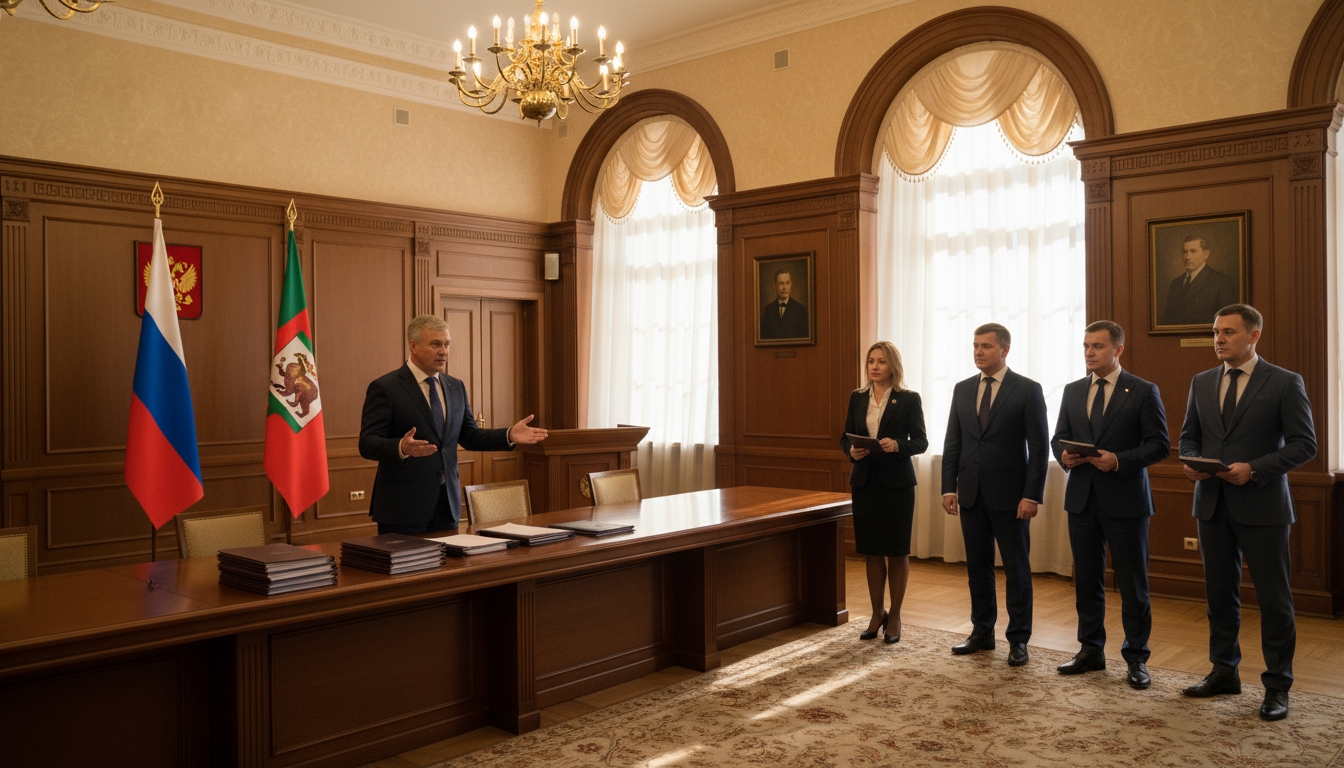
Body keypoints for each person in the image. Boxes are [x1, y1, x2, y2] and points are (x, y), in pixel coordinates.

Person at [1178, 304, 1316, 721]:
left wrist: (1254, 469)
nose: (1218, 339)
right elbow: (1189, 437)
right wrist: (1191, 463)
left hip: (1263, 506)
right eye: (1215, 332)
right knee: (1219, 596)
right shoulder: (1202, 381)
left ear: (1254, 336)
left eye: (1228, 332)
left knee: (1274, 601)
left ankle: (1277, 685)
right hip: (1211, 505)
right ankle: (1224, 671)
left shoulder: (1284, 382)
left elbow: (1304, 444)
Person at [1050, 321, 1168, 689]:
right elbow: (1058, 437)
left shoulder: (1143, 391)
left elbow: (1159, 445)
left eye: (1098, 346)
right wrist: (1064, 455)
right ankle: (1090, 650)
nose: (1089, 352)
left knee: (1133, 584)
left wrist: (1118, 460)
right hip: (1082, 500)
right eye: (1086, 346)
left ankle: (1136, 658)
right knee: (1087, 581)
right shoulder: (1072, 390)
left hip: (1126, 501)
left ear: (1118, 350)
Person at [358, 314, 548, 534]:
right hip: (403, 508)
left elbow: (470, 436)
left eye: (446, 344)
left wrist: (509, 435)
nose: (444, 351)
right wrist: (401, 447)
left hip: (447, 505)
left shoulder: (455, 386)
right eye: (435, 344)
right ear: (413, 346)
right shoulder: (386, 387)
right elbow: (367, 443)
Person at [941, 323, 1049, 667]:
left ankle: (1018, 639)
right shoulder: (962, 389)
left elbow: (1039, 448)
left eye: (986, 346)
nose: (978, 352)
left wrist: (1032, 495)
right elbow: (953, 441)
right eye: (975, 345)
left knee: (1017, 570)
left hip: (1012, 498)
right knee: (978, 567)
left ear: (1004, 349)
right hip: (971, 494)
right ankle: (982, 632)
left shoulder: (1027, 389)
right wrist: (948, 487)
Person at [841, 341, 928, 645]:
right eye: (871, 361)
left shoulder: (908, 399)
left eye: (881, 361)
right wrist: (852, 451)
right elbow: (844, 438)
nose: (875, 367)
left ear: (893, 365)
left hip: (897, 485)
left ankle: (896, 616)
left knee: (897, 550)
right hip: (865, 483)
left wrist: (898, 445)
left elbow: (921, 442)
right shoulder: (857, 397)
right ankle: (877, 613)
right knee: (872, 551)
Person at [1160, 235, 1238, 326]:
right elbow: (1167, 322)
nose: (1187, 257)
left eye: (1193, 251)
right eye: (1185, 252)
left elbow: (1227, 322)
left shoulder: (1222, 282)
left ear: (1206, 254)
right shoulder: (1175, 283)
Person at [759, 267, 809, 339]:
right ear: (775, 285)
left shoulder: (801, 309)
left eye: (787, 283)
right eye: (781, 283)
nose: (784, 287)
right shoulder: (768, 309)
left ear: (791, 284)